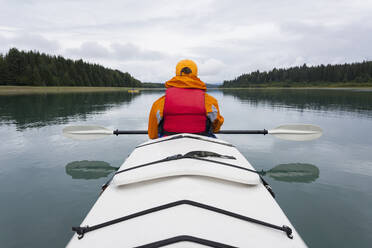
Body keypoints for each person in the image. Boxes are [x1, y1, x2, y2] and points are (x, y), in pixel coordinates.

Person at [148, 59, 224, 139]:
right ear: (195, 73)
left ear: (177, 72)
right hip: (202, 139)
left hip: (169, 141)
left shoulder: (161, 102)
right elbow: (216, 126)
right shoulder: (209, 101)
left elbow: (152, 134)